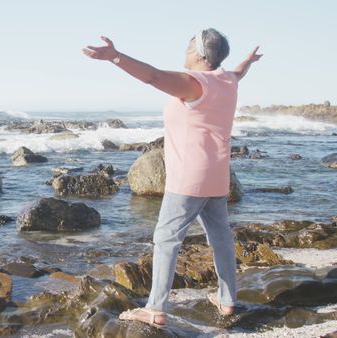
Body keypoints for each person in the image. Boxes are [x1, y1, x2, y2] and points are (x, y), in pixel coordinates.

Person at [82, 28, 262, 328]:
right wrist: (248, 60)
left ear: (201, 55)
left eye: (189, 45)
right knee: (221, 238)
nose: (185, 50)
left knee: (166, 238)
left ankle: (155, 308)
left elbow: (152, 76)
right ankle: (227, 300)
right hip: (218, 176)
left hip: (189, 177)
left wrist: (115, 56)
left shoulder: (195, 84)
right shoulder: (227, 80)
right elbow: (239, 72)